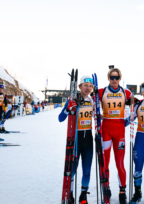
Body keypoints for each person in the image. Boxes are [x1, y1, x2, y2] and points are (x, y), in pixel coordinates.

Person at [98, 67, 132, 204]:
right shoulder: (101, 92)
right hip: (105, 129)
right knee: (105, 163)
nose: (114, 80)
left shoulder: (126, 92)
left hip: (119, 132)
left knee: (119, 164)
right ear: (108, 78)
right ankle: (106, 187)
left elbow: (136, 104)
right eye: (112, 77)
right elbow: (86, 98)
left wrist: (129, 119)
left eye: (116, 77)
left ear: (120, 78)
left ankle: (122, 191)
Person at [59, 76, 94, 204]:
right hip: (75, 139)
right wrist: (68, 108)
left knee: (87, 170)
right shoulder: (73, 99)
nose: (88, 88)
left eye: (90, 86)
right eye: (85, 85)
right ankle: (71, 193)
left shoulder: (92, 100)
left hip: (88, 139)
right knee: (73, 169)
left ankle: (83, 195)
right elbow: (60, 118)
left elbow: (98, 116)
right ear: (79, 87)